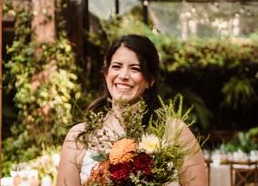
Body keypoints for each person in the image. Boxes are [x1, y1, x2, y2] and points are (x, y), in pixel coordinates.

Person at [57, 34, 208, 186]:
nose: (123, 75)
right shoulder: (80, 137)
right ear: (106, 73)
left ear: (151, 79)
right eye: (116, 66)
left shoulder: (175, 133)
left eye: (135, 69)